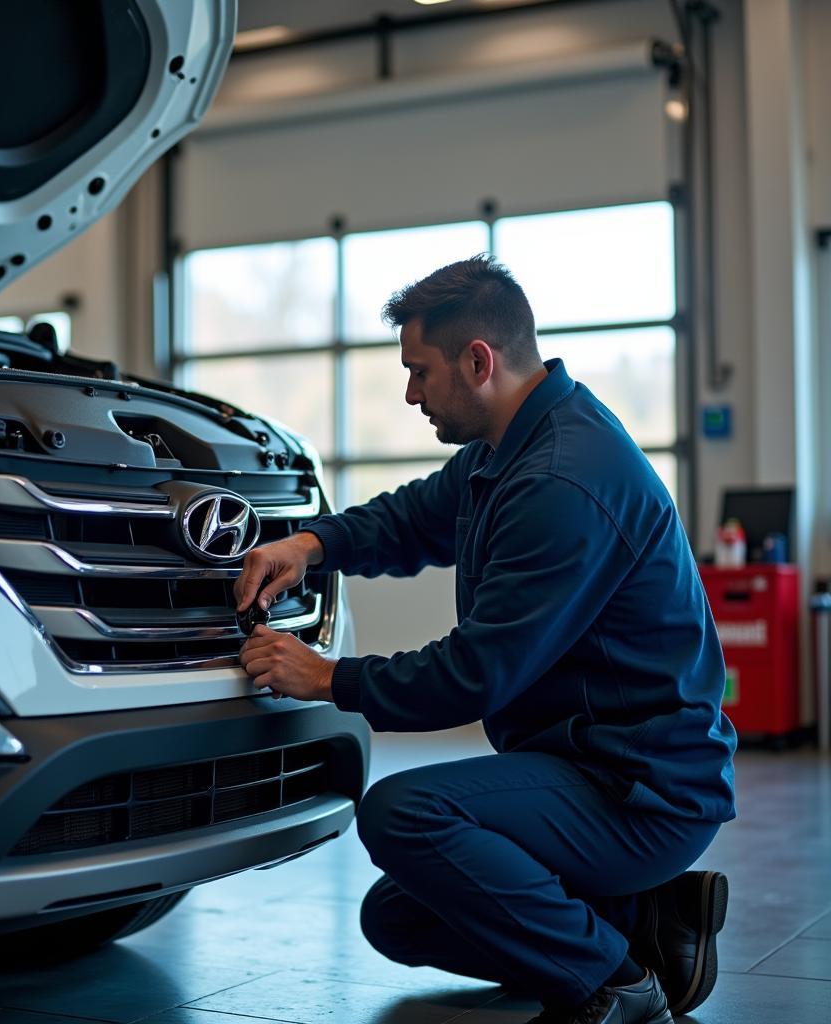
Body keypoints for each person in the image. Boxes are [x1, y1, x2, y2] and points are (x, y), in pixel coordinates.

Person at [234, 255, 736, 1024]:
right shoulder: (506, 451)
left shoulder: (563, 480)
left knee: (405, 814)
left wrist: (329, 678)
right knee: (397, 919)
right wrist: (312, 545)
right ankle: (647, 924)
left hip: (639, 790)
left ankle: (615, 985)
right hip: (581, 762)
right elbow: (408, 521)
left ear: (478, 361)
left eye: (419, 372)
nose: (410, 394)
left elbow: (476, 676)